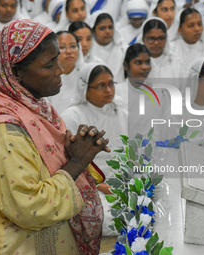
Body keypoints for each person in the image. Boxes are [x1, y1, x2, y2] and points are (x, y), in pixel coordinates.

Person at [0, 19, 109, 255]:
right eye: (49, 65)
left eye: (57, 60)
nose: (60, 70)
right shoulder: (6, 131)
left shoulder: (38, 111)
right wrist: (76, 162)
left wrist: (69, 153)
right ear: (16, 73)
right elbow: (31, 207)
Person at [61, 63, 127, 236]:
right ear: (85, 88)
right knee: (107, 220)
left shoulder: (121, 112)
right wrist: (100, 187)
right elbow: (67, 162)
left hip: (121, 185)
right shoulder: (72, 116)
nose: (108, 90)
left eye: (111, 84)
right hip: (89, 189)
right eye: (101, 86)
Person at [47, 30, 83, 113]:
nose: (69, 51)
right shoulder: (46, 78)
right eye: (62, 47)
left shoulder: (86, 76)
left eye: (73, 46)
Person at [91, 12, 125, 83]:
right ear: (93, 31)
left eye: (110, 27)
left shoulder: (122, 49)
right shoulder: (88, 50)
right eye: (102, 28)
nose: (107, 31)